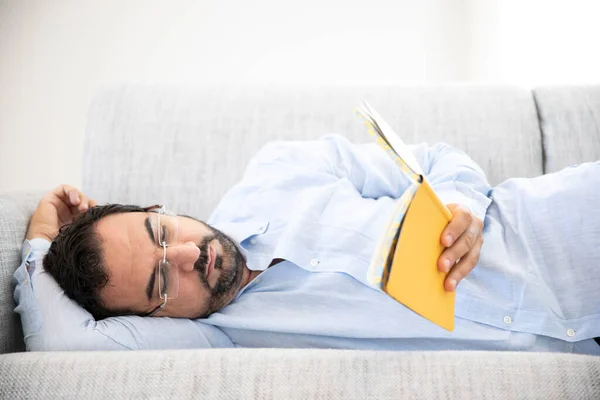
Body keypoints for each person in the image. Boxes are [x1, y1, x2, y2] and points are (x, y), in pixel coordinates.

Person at [23, 135, 600, 354]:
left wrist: (463, 207)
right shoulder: (217, 337)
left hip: (563, 231)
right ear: (157, 317)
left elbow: (436, 159)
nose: (185, 256)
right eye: (159, 282)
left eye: (161, 234)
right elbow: (58, 348)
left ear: (160, 209)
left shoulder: (278, 169)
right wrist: (41, 237)